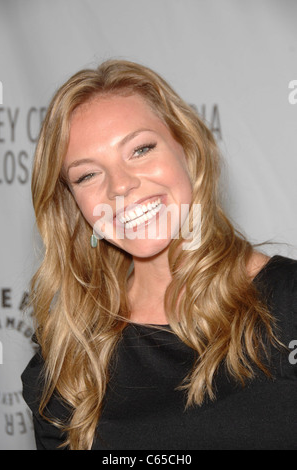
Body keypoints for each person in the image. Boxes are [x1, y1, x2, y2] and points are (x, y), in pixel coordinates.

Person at [21, 59, 297, 450]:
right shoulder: (67, 359)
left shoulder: (289, 306)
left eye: (140, 149)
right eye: (87, 175)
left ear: (186, 147)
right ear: (73, 205)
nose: (120, 186)